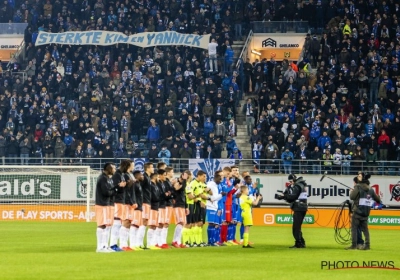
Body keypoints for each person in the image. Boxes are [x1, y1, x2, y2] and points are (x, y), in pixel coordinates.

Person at [346, 172, 381, 250]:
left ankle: (354, 245)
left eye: (359, 176)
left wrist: (352, 191)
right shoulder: (371, 189)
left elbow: (352, 197)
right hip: (366, 213)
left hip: (357, 211)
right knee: (365, 230)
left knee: (354, 228)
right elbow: (378, 200)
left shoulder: (358, 187)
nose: (358, 177)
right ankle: (367, 245)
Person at [277, 174, 308, 248]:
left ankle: (299, 243)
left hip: (299, 207)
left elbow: (293, 197)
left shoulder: (297, 186)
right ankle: (301, 242)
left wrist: (283, 196)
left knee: (296, 227)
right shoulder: (302, 184)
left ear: (294, 179)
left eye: (291, 181)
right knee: (298, 226)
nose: (291, 183)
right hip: (303, 206)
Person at [95, 162, 117, 253]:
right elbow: (106, 192)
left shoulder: (108, 178)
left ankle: (105, 245)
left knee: (107, 225)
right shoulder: (103, 179)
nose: (115, 170)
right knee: (102, 225)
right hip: (102, 204)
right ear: (109, 169)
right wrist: (115, 190)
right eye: (113, 168)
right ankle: (100, 247)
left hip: (107, 204)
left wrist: (116, 189)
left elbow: (110, 191)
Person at [109, 161, 128, 252]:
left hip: (121, 201)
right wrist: (120, 186)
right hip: (117, 201)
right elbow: (114, 188)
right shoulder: (117, 175)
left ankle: (115, 244)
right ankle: (112, 245)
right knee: (116, 223)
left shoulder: (121, 175)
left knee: (119, 223)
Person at [119, 160, 136, 251]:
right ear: (129, 166)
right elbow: (126, 190)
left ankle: (125, 244)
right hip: (126, 202)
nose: (134, 166)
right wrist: (131, 201)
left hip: (130, 201)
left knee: (129, 223)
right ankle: (122, 244)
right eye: (133, 165)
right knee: (125, 222)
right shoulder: (125, 175)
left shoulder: (131, 175)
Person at [172, 170, 191, 248]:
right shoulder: (176, 182)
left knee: (182, 223)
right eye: (188, 176)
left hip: (182, 205)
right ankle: (174, 241)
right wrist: (184, 180)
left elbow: (184, 196)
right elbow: (178, 189)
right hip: (177, 205)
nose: (189, 178)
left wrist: (186, 207)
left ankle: (179, 242)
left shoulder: (184, 183)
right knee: (180, 223)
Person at [137, 162, 154, 249]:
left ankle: (141, 243)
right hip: (144, 202)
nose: (153, 169)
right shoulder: (144, 178)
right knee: (143, 222)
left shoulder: (148, 177)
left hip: (147, 201)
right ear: (147, 168)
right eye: (152, 167)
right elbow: (139, 188)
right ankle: (139, 243)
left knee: (145, 222)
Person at [206, 173, 224, 246]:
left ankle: (213, 241)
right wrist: (221, 195)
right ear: (216, 178)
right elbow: (212, 198)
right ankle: (210, 241)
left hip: (215, 207)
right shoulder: (210, 185)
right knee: (211, 224)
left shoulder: (216, 185)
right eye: (220, 179)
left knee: (215, 224)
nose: (220, 181)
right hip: (210, 206)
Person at [129, 170, 144, 250]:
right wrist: (134, 203)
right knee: (134, 225)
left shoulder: (139, 184)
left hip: (139, 207)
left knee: (138, 226)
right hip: (136, 207)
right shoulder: (134, 184)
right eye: (141, 175)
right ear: (136, 176)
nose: (142, 176)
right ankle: (132, 245)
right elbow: (132, 194)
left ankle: (136, 245)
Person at [147, 172, 162, 250]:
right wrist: (160, 198)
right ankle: (150, 244)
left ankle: (153, 243)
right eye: (158, 177)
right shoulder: (151, 186)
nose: (159, 179)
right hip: (152, 207)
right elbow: (154, 197)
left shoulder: (155, 185)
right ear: (155, 177)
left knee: (154, 226)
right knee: (152, 225)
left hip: (156, 207)